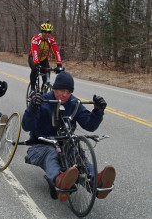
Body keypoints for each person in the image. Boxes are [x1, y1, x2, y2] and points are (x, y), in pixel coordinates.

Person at [22, 71, 116, 202]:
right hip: (41, 144)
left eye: (68, 91)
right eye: (61, 90)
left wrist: (97, 111)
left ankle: (95, 181)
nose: (65, 94)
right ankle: (58, 179)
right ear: (54, 88)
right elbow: (27, 126)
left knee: (78, 154)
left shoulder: (73, 103)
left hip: (65, 144)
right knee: (51, 153)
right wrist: (32, 108)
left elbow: (89, 125)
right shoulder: (43, 101)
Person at [28, 20, 63, 93]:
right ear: (42, 32)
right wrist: (37, 64)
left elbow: (56, 52)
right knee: (35, 69)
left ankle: (43, 92)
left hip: (44, 60)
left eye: (49, 33)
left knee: (47, 74)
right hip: (33, 58)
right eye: (45, 32)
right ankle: (32, 89)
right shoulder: (36, 39)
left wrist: (59, 64)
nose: (47, 34)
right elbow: (35, 51)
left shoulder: (52, 40)